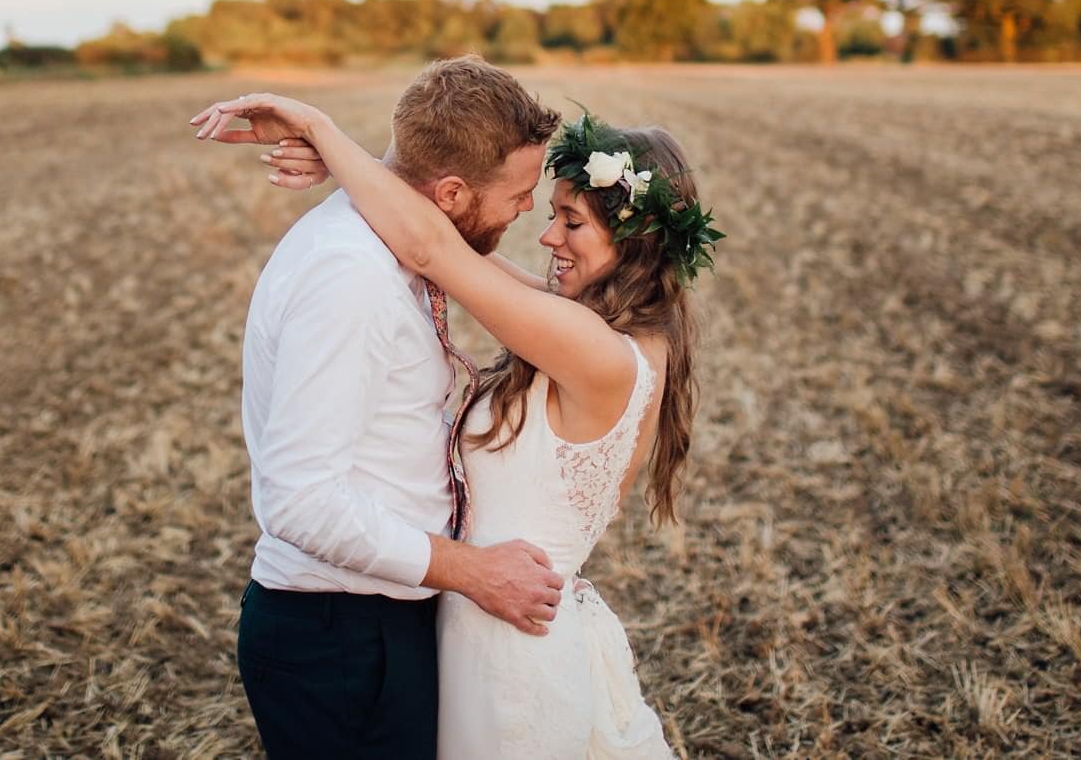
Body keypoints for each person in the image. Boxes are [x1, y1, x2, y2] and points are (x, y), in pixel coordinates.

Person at [192, 82, 721, 759]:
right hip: (457, 618)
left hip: (506, 635)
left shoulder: (597, 349)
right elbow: (447, 242)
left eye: (571, 219)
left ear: (636, 239)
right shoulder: (604, 324)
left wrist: (327, 135)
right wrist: (377, 173)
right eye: (540, 204)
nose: (544, 230)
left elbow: (435, 251)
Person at [202, 57, 571, 760]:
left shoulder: (396, 240)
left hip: (384, 618)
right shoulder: (350, 277)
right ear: (453, 191)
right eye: (521, 194)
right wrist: (476, 571)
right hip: (337, 637)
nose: (528, 210)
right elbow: (300, 500)